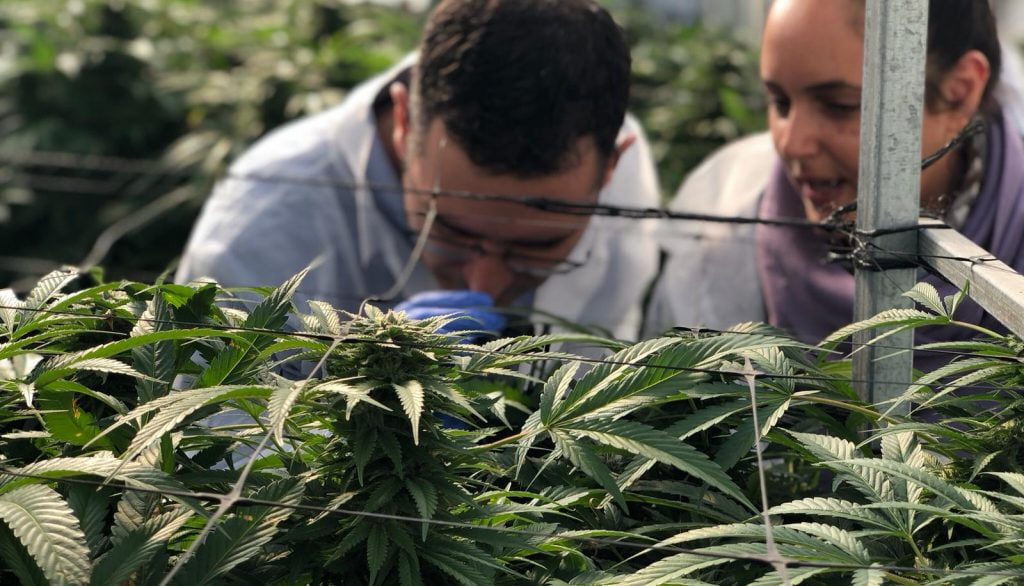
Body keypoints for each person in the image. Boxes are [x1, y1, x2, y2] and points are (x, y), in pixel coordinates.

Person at [176, 0, 661, 342]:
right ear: (405, 121)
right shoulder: (261, 224)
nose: (484, 285)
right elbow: (213, 449)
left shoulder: (625, 187)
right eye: (448, 229)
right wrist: (352, 403)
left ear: (610, 167)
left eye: (537, 247)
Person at [645, 0, 1024, 358]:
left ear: (958, 94)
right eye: (779, 103)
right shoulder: (718, 225)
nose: (792, 144)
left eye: (840, 106)